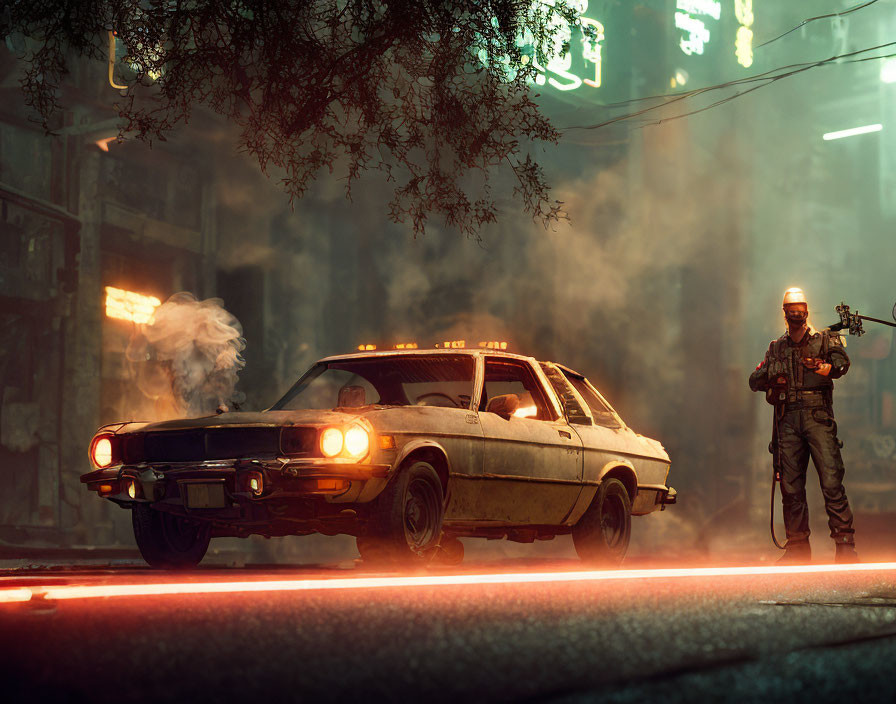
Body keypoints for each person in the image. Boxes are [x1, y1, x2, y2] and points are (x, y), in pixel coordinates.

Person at [749, 288, 858, 563]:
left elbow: (842, 364)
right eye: (791, 310)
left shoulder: (824, 340)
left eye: (799, 309)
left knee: (832, 482)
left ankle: (844, 545)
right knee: (791, 486)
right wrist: (769, 374)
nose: (795, 314)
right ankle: (797, 546)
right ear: (785, 314)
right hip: (787, 420)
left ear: (806, 311)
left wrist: (824, 367)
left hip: (818, 416)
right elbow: (755, 380)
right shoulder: (776, 348)